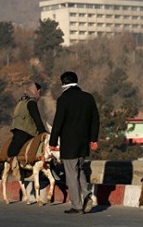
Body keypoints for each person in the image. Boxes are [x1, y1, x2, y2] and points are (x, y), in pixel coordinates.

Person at [49, 71, 100, 215]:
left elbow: (58, 121)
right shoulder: (88, 98)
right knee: (79, 169)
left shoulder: (63, 99)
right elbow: (95, 120)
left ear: (63, 83)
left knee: (71, 174)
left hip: (69, 143)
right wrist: (93, 139)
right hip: (84, 142)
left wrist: (53, 141)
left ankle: (77, 206)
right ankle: (87, 195)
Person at [7, 82, 47, 162]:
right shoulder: (31, 102)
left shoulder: (21, 101)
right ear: (35, 91)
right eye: (39, 92)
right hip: (26, 130)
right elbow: (36, 118)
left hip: (17, 128)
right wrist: (42, 132)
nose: (40, 95)